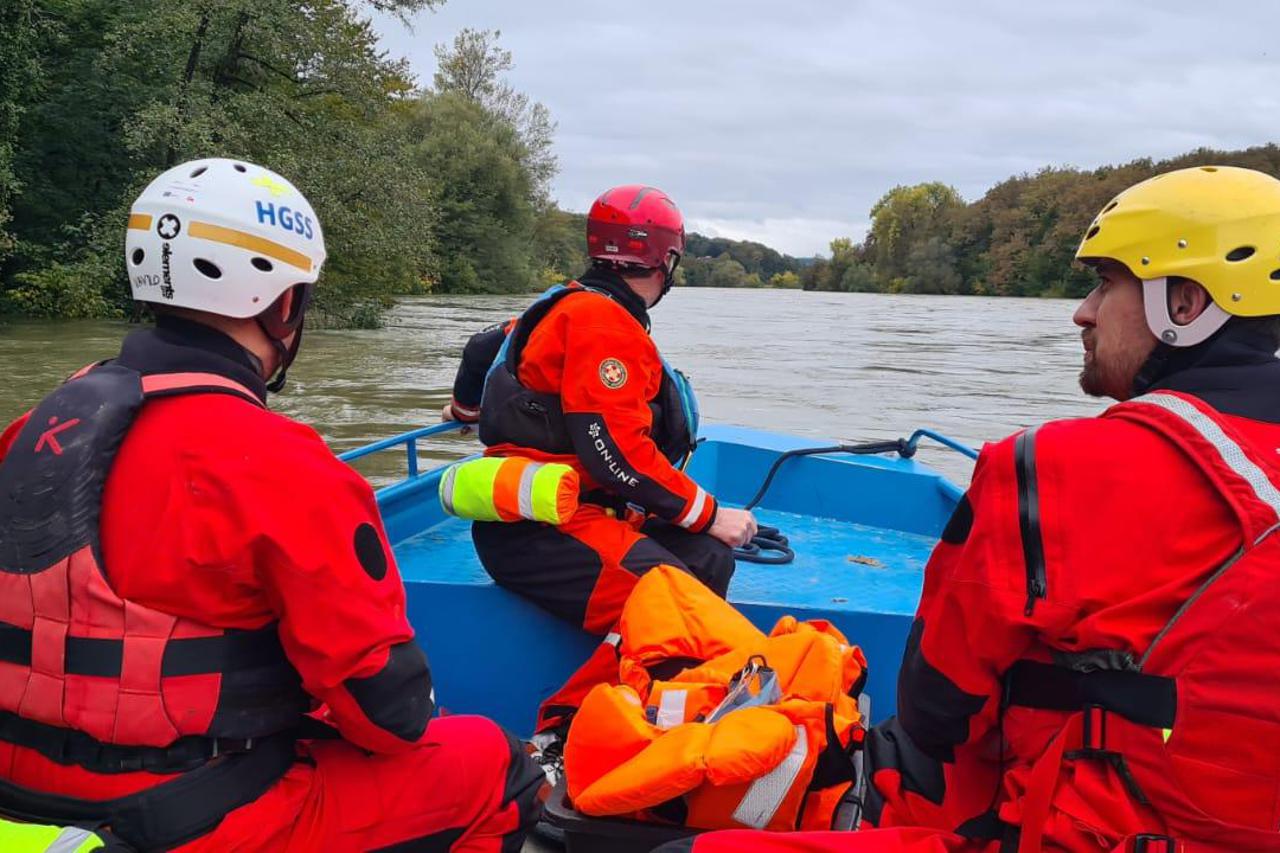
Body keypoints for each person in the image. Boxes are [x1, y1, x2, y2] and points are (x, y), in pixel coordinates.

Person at [660, 166, 1280, 853]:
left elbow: (934, 707)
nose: (1083, 310)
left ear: (1185, 305)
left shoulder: (1052, 470)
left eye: (1106, 282)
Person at [0, 158, 543, 852]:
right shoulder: (284, 463)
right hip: (188, 814)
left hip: (24, 796)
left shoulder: (35, 425)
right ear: (284, 305)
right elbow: (391, 715)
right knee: (494, 763)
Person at [445, 185, 755, 650]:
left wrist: (463, 409)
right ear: (665, 260)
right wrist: (710, 514)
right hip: (543, 533)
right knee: (684, 610)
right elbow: (616, 454)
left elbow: (482, 348)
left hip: (582, 514)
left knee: (710, 558)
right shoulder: (603, 322)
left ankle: (654, 677)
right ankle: (604, 711)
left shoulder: (566, 303)